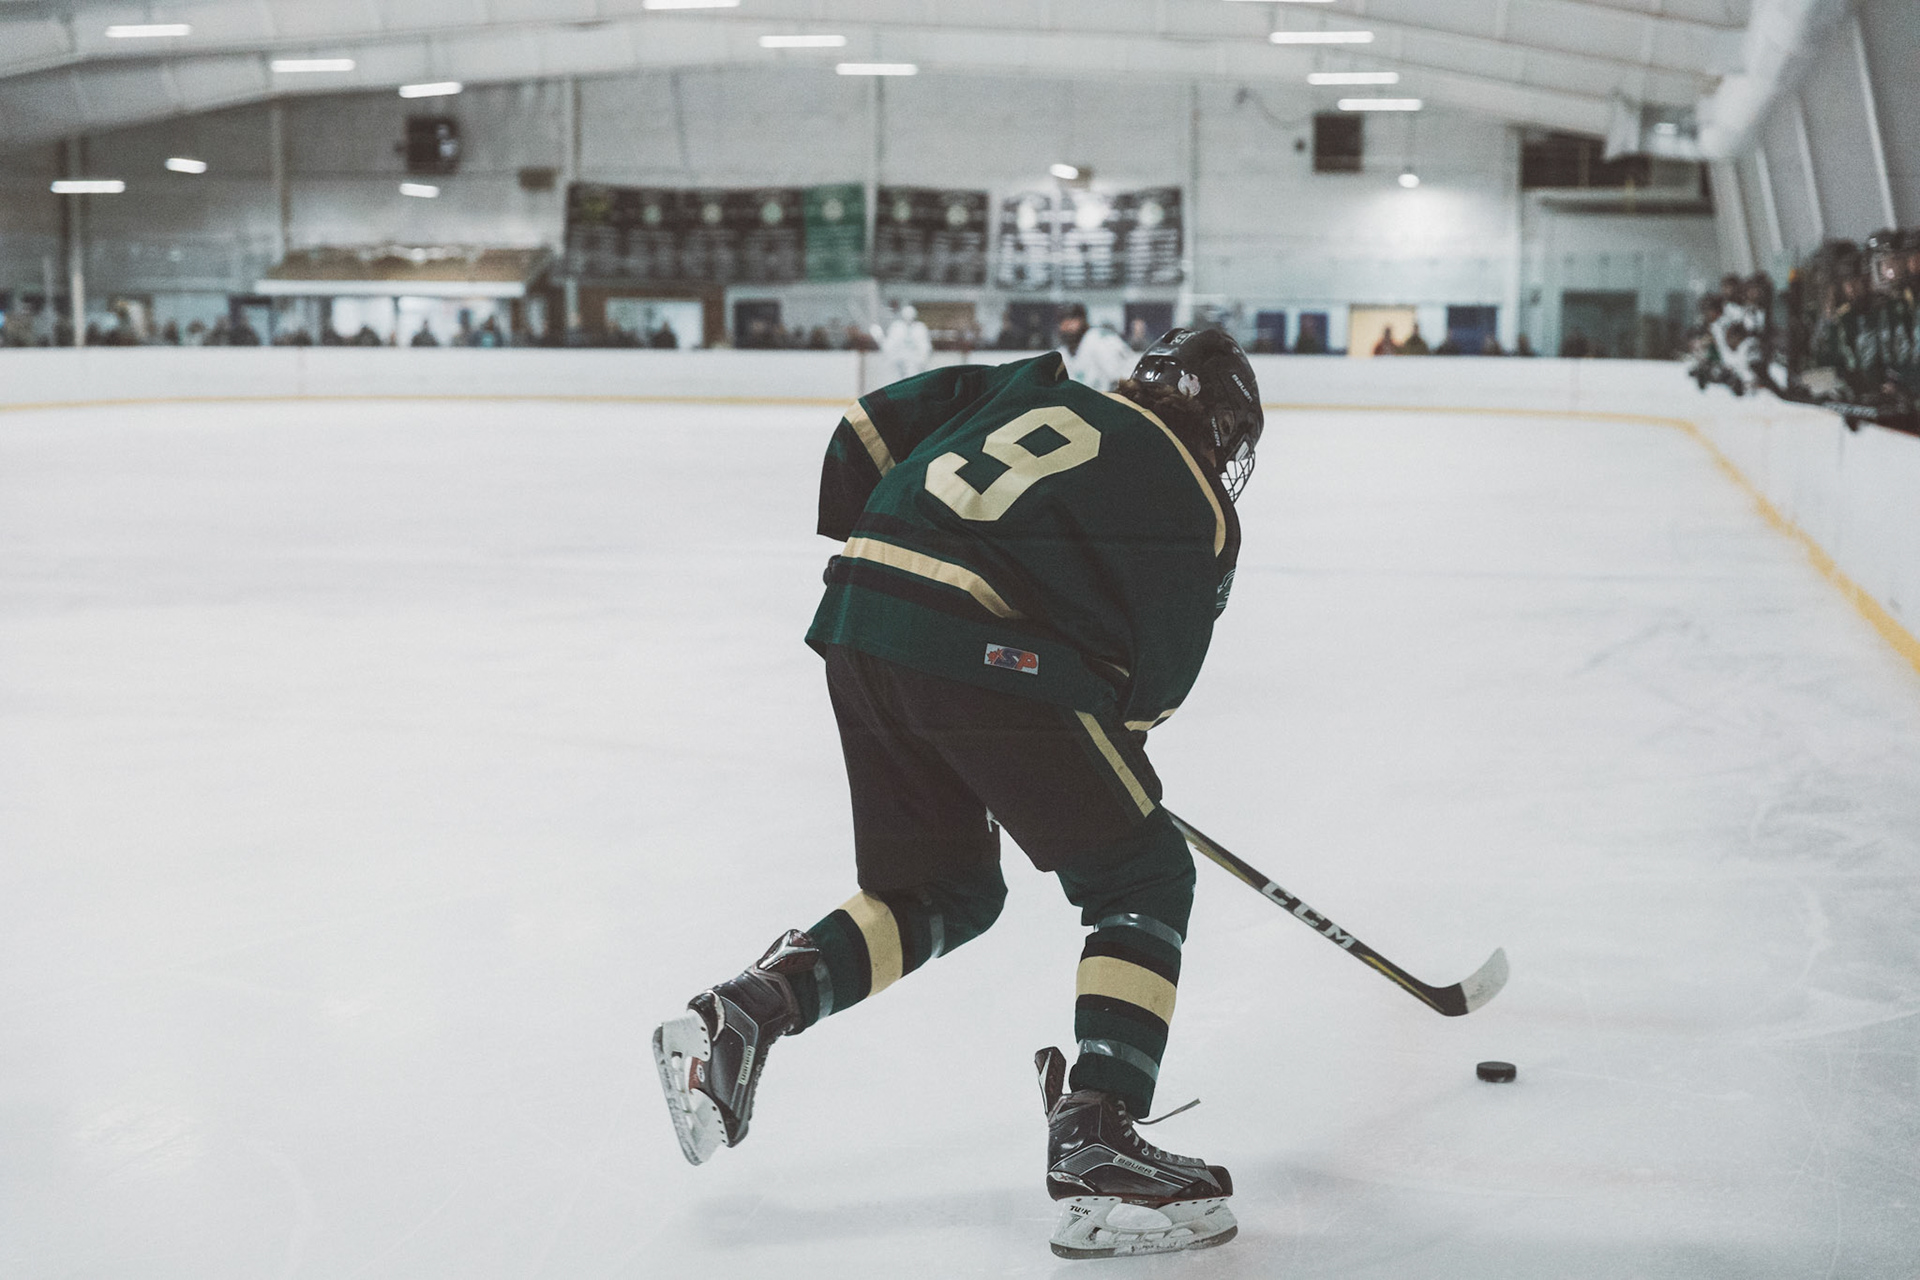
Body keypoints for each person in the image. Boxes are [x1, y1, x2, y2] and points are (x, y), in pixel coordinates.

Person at [654, 329, 1263, 1260]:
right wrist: (1102, 760)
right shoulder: (1200, 502)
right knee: (1142, 873)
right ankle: (1098, 1141)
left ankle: (748, 1010)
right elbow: (1152, 690)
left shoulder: (1029, 385)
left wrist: (901, 560)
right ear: (1221, 427)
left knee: (944, 891)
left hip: (860, 613)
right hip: (984, 646)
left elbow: (864, 430)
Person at [1054, 302, 1136, 391]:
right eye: (1063, 321)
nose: (1067, 325)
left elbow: (1122, 380)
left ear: (1083, 320)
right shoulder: (1063, 352)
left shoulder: (1100, 341)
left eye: (1072, 320)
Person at [870, 302, 934, 383]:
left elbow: (924, 346)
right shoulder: (897, 327)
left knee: (912, 377)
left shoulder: (920, 328)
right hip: (898, 360)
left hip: (914, 361)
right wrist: (880, 338)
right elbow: (889, 345)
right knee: (896, 379)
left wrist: (923, 359)